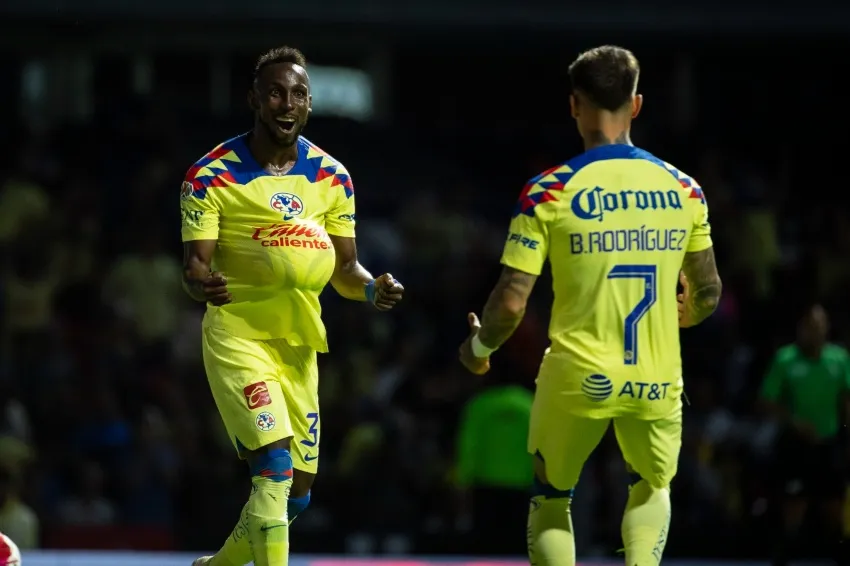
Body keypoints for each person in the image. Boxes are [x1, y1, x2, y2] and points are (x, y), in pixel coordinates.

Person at [458, 45, 722, 566]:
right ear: (638, 104)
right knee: (650, 484)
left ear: (574, 105)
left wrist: (478, 347)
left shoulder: (548, 191)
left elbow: (511, 302)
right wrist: (678, 320)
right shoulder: (685, 189)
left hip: (577, 373)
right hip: (655, 375)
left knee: (553, 494)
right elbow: (709, 290)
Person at [182, 46, 404, 566]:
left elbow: (347, 271)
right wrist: (201, 284)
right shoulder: (211, 175)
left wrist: (373, 288)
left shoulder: (332, 177)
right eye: (276, 93)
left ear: (309, 103)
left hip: (300, 346)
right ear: (255, 100)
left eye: (299, 94)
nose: (288, 103)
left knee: (296, 493)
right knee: (274, 466)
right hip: (239, 335)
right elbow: (194, 266)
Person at [759, 304, 850, 565]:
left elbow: (846, 400)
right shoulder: (785, 359)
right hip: (796, 444)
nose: (816, 331)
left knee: (834, 506)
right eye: (810, 326)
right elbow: (766, 402)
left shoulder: (840, 359)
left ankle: (839, 553)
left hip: (829, 441)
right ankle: (783, 555)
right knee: (794, 504)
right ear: (801, 329)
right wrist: (794, 422)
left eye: (820, 326)